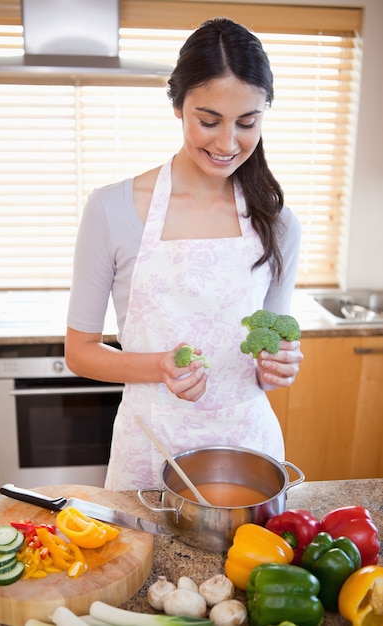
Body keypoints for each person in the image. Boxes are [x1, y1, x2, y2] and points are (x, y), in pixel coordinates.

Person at [65, 17, 303, 490]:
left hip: (247, 451)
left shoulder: (277, 222)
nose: (227, 143)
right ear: (178, 105)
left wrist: (278, 365)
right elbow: (80, 352)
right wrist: (159, 367)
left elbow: (270, 356)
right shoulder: (112, 209)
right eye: (208, 120)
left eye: (248, 122)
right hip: (150, 446)